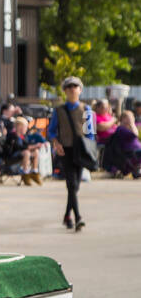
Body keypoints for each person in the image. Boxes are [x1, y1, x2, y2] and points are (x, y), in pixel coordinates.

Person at [49, 76, 95, 231]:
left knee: (74, 187)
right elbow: (51, 131)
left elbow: (90, 133)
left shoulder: (86, 109)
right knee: (72, 184)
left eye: (75, 86)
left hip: (80, 150)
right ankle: (78, 217)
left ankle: (67, 215)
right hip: (65, 150)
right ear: (65, 91)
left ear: (80, 90)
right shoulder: (59, 110)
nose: (72, 89)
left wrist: (90, 150)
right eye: (69, 87)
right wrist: (56, 143)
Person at [102, 110, 141, 178]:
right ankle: (136, 170)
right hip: (131, 153)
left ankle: (137, 170)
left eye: (132, 117)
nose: (132, 119)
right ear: (123, 118)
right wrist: (132, 124)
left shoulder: (126, 129)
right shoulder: (121, 129)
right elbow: (135, 134)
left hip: (134, 152)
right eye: (130, 117)